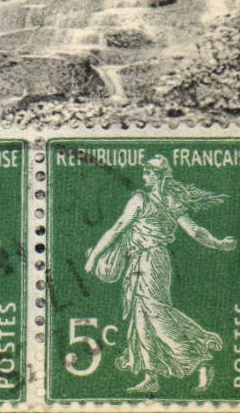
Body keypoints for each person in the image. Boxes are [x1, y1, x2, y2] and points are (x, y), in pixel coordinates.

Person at [84, 155, 232, 395]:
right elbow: (194, 230)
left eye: (147, 172)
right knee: (141, 317)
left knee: (155, 313)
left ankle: (200, 357)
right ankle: (151, 375)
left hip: (150, 261)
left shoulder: (142, 199)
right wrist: (218, 243)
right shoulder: (170, 200)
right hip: (145, 261)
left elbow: (119, 228)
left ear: (158, 175)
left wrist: (93, 258)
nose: (144, 177)